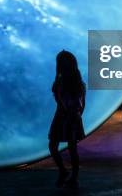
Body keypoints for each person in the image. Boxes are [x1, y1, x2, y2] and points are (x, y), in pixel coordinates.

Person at [48, 50, 86, 188]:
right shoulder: (78, 83)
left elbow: (60, 101)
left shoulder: (59, 82)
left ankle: (65, 172)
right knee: (72, 148)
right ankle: (72, 176)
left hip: (63, 117)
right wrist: (76, 116)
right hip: (72, 117)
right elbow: (82, 105)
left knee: (54, 146)